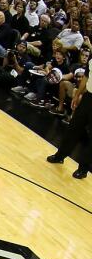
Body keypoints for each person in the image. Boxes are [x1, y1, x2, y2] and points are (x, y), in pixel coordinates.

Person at [47, 49, 91, 178]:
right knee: (74, 127)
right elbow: (87, 77)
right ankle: (60, 155)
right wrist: (77, 95)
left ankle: (83, 169)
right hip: (88, 96)